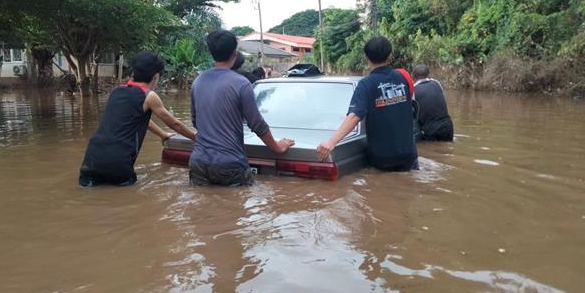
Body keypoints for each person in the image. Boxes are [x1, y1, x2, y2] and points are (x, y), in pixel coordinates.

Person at [190, 30, 294, 186]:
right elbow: (257, 124)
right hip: (230, 164)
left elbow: (195, 122)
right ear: (234, 52)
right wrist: (278, 147)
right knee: (236, 208)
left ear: (211, 52)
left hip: (198, 162)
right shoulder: (241, 84)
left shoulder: (198, 81)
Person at [79, 51, 196, 186]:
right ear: (155, 77)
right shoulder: (149, 96)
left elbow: (138, 119)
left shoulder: (116, 91)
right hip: (118, 164)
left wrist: (163, 135)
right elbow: (174, 124)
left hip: (91, 160)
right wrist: (196, 138)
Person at [317, 36, 418, 171]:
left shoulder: (365, 85)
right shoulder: (404, 76)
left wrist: (331, 142)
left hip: (383, 159)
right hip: (409, 155)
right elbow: (409, 102)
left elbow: (354, 117)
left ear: (366, 58)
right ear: (390, 55)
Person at [412, 64, 454, 141]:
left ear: (413, 76)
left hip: (431, 131)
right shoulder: (437, 83)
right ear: (428, 75)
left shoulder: (413, 91)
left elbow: (413, 116)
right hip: (448, 127)